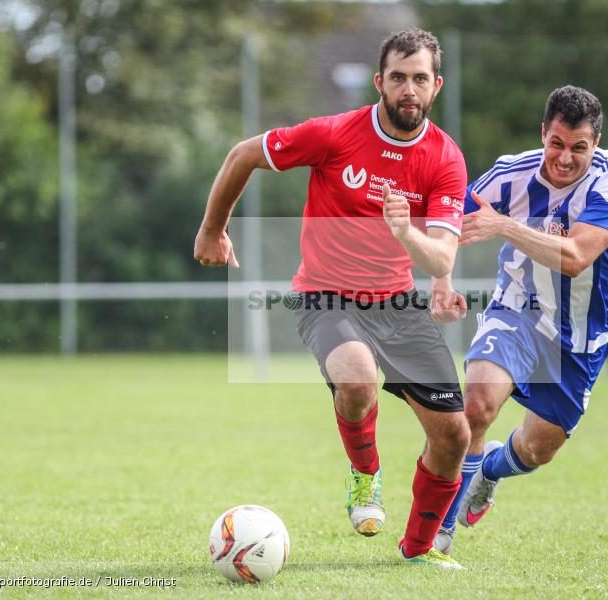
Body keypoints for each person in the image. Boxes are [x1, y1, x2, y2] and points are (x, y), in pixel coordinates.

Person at [194, 29, 470, 569]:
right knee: (357, 378)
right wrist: (212, 229)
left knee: (454, 436)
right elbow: (243, 154)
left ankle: (416, 551)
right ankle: (365, 476)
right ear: (379, 82)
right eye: (398, 78)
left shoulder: (445, 159)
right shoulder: (336, 134)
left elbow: (440, 261)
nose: (408, 89)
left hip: (396, 304)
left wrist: (406, 234)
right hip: (326, 297)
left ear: (436, 86)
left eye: (419, 79)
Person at [430, 85, 608, 556]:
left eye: (579, 148)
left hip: (581, 335)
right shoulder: (510, 174)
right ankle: (436, 538)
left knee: (537, 448)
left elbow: (576, 257)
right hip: (517, 309)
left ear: (597, 142)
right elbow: (448, 220)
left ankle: (490, 472)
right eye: (557, 143)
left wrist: (504, 225)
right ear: (543, 132)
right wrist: (441, 282)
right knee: (477, 406)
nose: (565, 158)